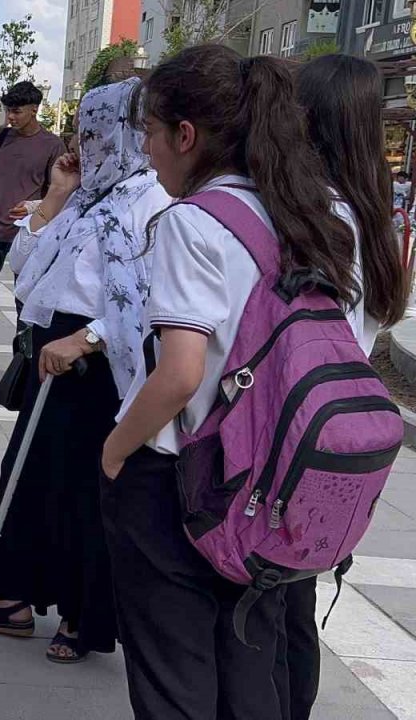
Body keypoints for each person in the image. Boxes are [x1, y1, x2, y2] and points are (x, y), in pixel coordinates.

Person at [98, 45, 368, 719]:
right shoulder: (312, 213)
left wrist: (114, 451)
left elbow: (182, 372)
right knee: (253, 657)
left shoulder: (193, 223)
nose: (148, 153)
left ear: (186, 136)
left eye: (152, 135)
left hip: (183, 479)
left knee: (174, 672)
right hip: (274, 474)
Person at [0, 78, 170, 664]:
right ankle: (14, 598)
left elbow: (150, 300)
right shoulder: (87, 195)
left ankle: (81, 615)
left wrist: (88, 338)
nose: (84, 143)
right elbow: (27, 270)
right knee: (27, 476)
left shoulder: (150, 199)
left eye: (94, 133)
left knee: (85, 489)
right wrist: (55, 195)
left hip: (100, 364)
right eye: (81, 132)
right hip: (51, 347)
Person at [278, 53, 408, 720]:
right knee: (294, 597)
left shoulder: (316, 214)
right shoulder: (373, 213)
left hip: (290, 427)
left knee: (268, 599)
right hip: (339, 429)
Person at [0, 82, 66, 374]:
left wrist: (33, 207)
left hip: (28, 234)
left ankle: (21, 363)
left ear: (34, 110)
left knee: (24, 302)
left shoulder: (53, 145)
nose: (11, 117)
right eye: (9, 110)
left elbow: (58, 191)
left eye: (17, 111)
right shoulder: (1, 138)